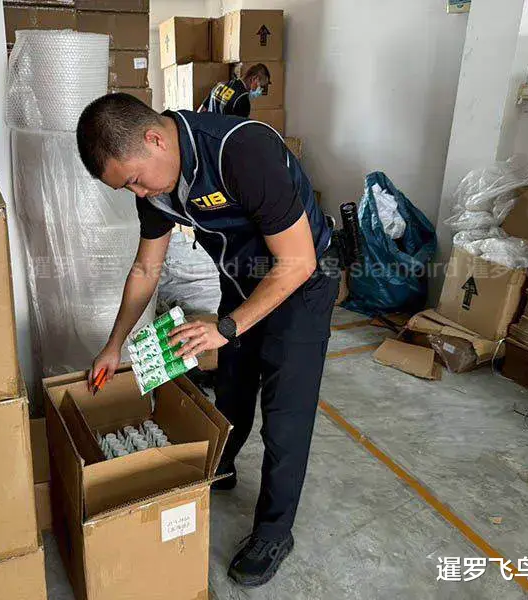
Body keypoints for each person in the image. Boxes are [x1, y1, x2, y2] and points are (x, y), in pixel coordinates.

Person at [76, 93, 338, 588]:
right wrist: (115, 344)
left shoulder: (240, 150)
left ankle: (274, 532)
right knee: (233, 389)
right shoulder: (156, 189)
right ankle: (223, 465)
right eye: (127, 187)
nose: (137, 193)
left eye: (133, 180)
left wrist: (225, 327)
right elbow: (146, 268)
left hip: (303, 282)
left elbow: (298, 262)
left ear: (154, 140)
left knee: (285, 415)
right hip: (242, 280)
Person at [198, 63, 270, 117]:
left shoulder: (220, 85)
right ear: (254, 79)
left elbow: (201, 111)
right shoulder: (242, 98)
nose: (261, 91)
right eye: (261, 86)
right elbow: (241, 129)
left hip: (210, 131)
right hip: (225, 133)